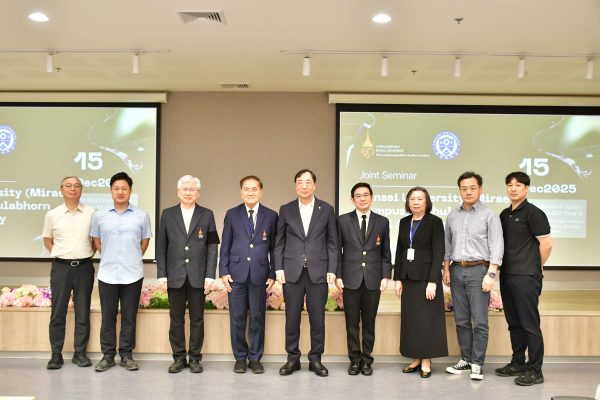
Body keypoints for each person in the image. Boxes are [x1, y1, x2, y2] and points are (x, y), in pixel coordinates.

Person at [274, 169, 338, 377]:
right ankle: (292, 359)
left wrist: (332, 269)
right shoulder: (286, 209)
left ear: (314, 185)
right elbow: (279, 242)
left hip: (318, 272)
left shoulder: (326, 209)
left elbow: (332, 243)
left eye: (308, 182)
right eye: (300, 182)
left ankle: (315, 359)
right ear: (295, 186)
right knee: (291, 318)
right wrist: (278, 268)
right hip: (292, 273)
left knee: (317, 319)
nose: (304, 186)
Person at [443, 171, 503, 380]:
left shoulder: (489, 216)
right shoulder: (453, 215)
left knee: (479, 321)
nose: (468, 192)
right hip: (456, 270)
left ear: (480, 189)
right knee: (461, 320)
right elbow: (447, 245)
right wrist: (446, 268)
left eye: (472, 188)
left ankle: (477, 362)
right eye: (464, 188)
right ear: (459, 190)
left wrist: (491, 274)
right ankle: (466, 360)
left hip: (479, 271)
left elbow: (497, 246)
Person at [156, 175, 219, 374]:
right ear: (178, 192)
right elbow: (161, 246)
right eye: (185, 189)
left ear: (198, 193)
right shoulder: (168, 214)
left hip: (198, 276)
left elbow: (212, 246)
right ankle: (178, 358)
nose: (188, 192)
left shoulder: (207, 214)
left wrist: (210, 275)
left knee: (197, 319)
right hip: (174, 275)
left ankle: (195, 358)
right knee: (176, 319)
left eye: (192, 189)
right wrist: (162, 274)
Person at [91, 172, 152, 372]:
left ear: (130, 191)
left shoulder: (142, 215)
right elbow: (97, 242)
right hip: (107, 273)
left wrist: (131, 257)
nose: (120, 192)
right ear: (111, 191)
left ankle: (126, 355)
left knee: (129, 316)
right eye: (116, 188)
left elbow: (144, 242)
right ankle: (108, 356)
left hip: (132, 274)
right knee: (108, 316)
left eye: (124, 188)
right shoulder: (99, 215)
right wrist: (111, 256)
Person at [496, 171, 552, 386]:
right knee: (514, 323)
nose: (513, 188)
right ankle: (518, 362)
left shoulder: (534, 213)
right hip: (507, 274)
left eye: (518, 185)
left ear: (526, 188)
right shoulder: (504, 214)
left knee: (529, 324)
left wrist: (537, 266)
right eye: (510, 185)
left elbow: (546, 244)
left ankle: (535, 370)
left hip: (526, 276)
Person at [219, 175, 278, 374]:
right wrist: (224, 271)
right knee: (237, 318)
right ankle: (240, 358)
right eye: (246, 189)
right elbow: (225, 245)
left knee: (257, 317)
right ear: (241, 192)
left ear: (261, 191)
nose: (250, 192)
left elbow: (274, 248)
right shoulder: (232, 214)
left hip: (260, 275)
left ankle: (255, 358)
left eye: (254, 189)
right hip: (236, 274)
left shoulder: (271, 215)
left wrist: (272, 273)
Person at [336, 182, 391, 376]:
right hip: (350, 279)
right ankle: (354, 360)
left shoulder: (382, 222)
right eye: (358, 196)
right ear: (352, 199)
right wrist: (338, 275)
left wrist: (386, 276)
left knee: (369, 322)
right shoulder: (342, 221)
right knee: (351, 323)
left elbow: (386, 253)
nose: (362, 198)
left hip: (373, 280)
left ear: (371, 197)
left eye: (366, 195)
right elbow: (337, 251)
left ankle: (367, 360)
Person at [394, 186, 448, 378]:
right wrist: (398, 278)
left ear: (427, 202)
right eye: (412, 199)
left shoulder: (435, 222)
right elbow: (400, 250)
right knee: (412, 322)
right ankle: (416, 358)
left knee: (427, 321)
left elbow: (439, 252)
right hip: (408, 279)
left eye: (420, 199)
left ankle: (426, 360)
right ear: (408, 202)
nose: (416, 202)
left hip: (427, 280)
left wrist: (433, 281)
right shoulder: (404, 222)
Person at [43, 176, 96, 370]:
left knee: (83, 313)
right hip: (61, 268)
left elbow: (95, 241)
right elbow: (47, 240)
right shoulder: (52, 214)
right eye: (68, 186)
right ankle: (56, 355)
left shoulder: (91, 213)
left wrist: (84, 254)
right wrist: (62, 255)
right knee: (58, 312)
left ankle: (79, 353)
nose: (73, 189)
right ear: (61, 189)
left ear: (81, 189)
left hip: (84, 268)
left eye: (77, 186)